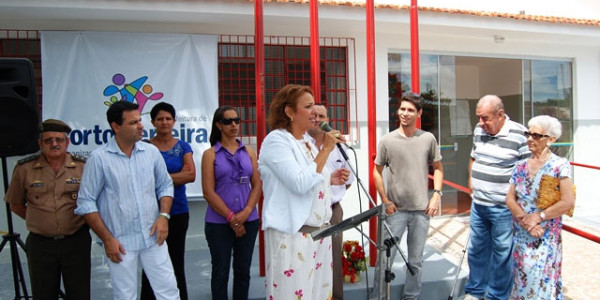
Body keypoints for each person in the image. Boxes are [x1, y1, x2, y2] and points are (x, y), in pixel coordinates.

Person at [75, 101, 180, 300]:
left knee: (168, 292)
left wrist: (164, 216)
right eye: (133, 123)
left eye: (140, 120)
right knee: (125, 296)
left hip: (153, 237)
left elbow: (165, 185)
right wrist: (107, 239)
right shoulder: (99, 159)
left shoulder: (151, 152)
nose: (141, 126)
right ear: (116, 126)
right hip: (120, 242)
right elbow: (86, 202)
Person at [259, 84, 349, 299]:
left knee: (319, 295)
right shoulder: (276, 140)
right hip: (293, 235)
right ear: (289, 112)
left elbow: (312, 176)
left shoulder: (306, 142)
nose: (314, 112)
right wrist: (327, 148)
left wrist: (330, 179)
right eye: (308, 107)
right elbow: (299, 183)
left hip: (319, 234)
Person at [4, 119, 91, 300]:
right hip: (41, 245)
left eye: (59, 140)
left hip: (76, 242)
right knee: (43, 294)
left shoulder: (83, 167)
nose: (54, 144)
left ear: (67, 142)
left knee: (79, 293)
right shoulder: (24, 169)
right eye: (48, 140)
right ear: (40, 143)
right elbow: (16, 204)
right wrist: (41, 220)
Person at [372, 91, 444, 300]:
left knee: (416, 261)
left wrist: (436, 195)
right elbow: (377, 171)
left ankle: (411, 297)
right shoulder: (387, 140)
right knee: (385, 260)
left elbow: (438, 167)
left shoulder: (428, 139)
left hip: (422, 210)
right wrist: (385, 200)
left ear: (418, 113)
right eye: (402, 109)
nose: (405, 113)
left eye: (410, 110)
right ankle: (378, 297)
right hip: (395, 211)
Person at [464, 95, 530, 300]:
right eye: (478, 118)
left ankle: (497, 296)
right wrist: (471, 181)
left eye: (485, 118)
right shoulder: (479, 129)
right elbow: (474, 157)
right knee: (476, 250)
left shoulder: (520, 135)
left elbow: (527, 173)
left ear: (500, 115)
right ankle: (475, 292)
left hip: (503, 207)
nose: (481, 123)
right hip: (479, 204)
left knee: (502, 255)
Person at [505, 115, 574, 299]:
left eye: (536, 136)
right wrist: (527, 222)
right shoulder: (519, 166)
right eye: (528, 134)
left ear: (551, 140)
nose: (529, 139)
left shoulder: (559, 166)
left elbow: (567, 201)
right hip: (522, 233)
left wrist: (539, 217)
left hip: (545, 236)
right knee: (521, 284)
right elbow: (510, 199)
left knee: (541, 285)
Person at [201, 106, 262, 300]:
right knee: (220, 272)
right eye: (228, 121)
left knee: (243, 271)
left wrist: (246, 212)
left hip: (249, 220)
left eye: (237, 120)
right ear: (219, 125)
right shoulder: (210, 154)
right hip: (219, 223)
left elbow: (257, 184)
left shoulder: (249, 152)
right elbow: (208, 192)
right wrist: (232, 219)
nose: (234, 125)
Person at [141, 102, 196, 300]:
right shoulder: (144, 147)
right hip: (150, 213)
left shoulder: (182, 146)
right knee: (150, 264)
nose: (164, 122)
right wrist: (175, 175)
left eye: (168, 118)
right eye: (160, 119)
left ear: (174, 121)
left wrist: (161, 178)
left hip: (178, 211)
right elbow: (141, 178)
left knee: (175, 262)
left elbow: (190, 175)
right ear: (153, 121)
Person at [305, 104, 354, 300]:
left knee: (333, 260)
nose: (316, 118)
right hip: (307, 213)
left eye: (321, 116)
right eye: (313, 114)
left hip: (333, 211)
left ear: (327, 120)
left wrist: (333, 194)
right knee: (308, 259)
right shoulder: (302, 143)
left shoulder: (338, 146)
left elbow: (348, 180)